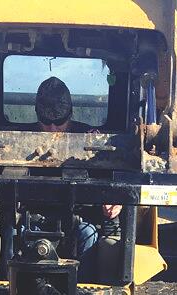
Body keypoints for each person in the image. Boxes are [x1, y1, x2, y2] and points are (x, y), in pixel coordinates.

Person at [32, 77, 121, 279]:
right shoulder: (15, 139)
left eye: (59, 121)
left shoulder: (91, 138)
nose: (53, 129)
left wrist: (114, 200)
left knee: (88, 234)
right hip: (32, 216)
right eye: (46, 122)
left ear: (70, 114)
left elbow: (109, 177)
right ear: (36, 115)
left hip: (78, 220)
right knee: (11, 230)